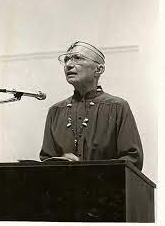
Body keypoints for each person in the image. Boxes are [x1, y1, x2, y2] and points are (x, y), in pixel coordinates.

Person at [40, 41, 143, 170]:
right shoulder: (55, 111)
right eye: (66, 60)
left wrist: (90, 170)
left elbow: (132, 160)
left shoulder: (118, 107)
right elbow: (45, 162)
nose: (68, 65)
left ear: (99, 69)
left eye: (77, 58)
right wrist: (59, 162)